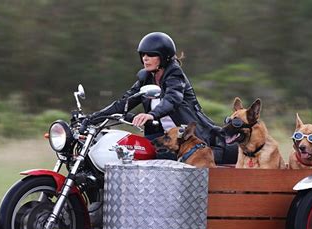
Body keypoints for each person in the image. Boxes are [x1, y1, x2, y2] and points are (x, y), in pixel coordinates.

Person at [92, 32, 236, 164]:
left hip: (188, 141)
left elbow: (172, 100)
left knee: (159, 157)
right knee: (130, 148)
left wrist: (151, 115)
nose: (145, 58)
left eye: (151, 55)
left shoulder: (175, 76)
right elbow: (123, 103)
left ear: (164, 57)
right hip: (165, 139)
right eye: (143, 54)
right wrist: (91, 119)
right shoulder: (146, 78)